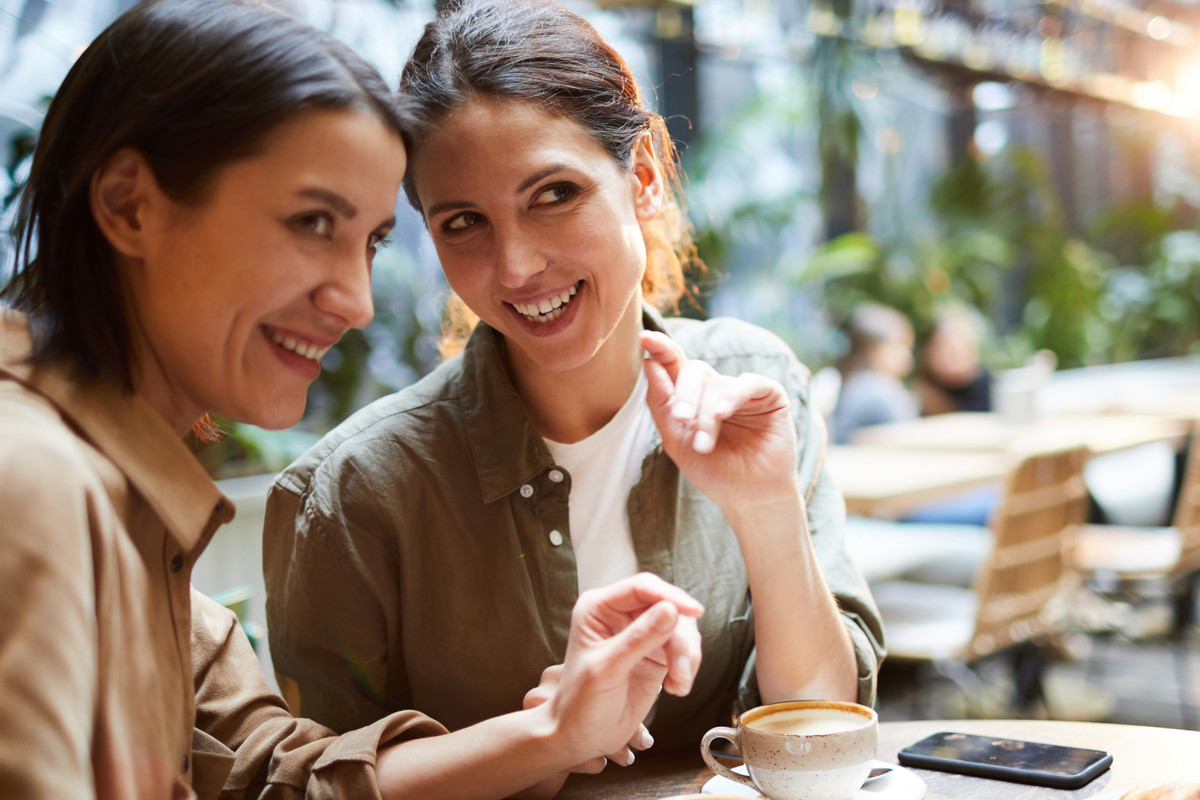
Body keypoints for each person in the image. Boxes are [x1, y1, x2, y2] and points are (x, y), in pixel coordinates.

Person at [0, 1, 705, 797]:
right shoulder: (33, 481)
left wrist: (555, 731)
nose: (356, 301)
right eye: (311, 222)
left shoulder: (125, 504)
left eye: (369, 241)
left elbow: (278, 771)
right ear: (131, 205)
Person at [263, 2, 884, 794]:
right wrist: (546, 739)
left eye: (554, 194)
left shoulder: (753, 385)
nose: (517, 265)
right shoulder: (357, 492)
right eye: (463, 223)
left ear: (645, 177)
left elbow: (819, 738)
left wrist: (764, 511)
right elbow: (318, 786)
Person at [830, 302, 919, 444]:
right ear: (874, 349)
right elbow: (911, 440)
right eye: (902, 345)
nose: (908, 356)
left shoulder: (856, 383)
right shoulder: (878, 390)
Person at [914, 302, 993, 416]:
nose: (950, 358)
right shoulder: (920, 391)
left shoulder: (991, 389)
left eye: (957, 349)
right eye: (942, 348)